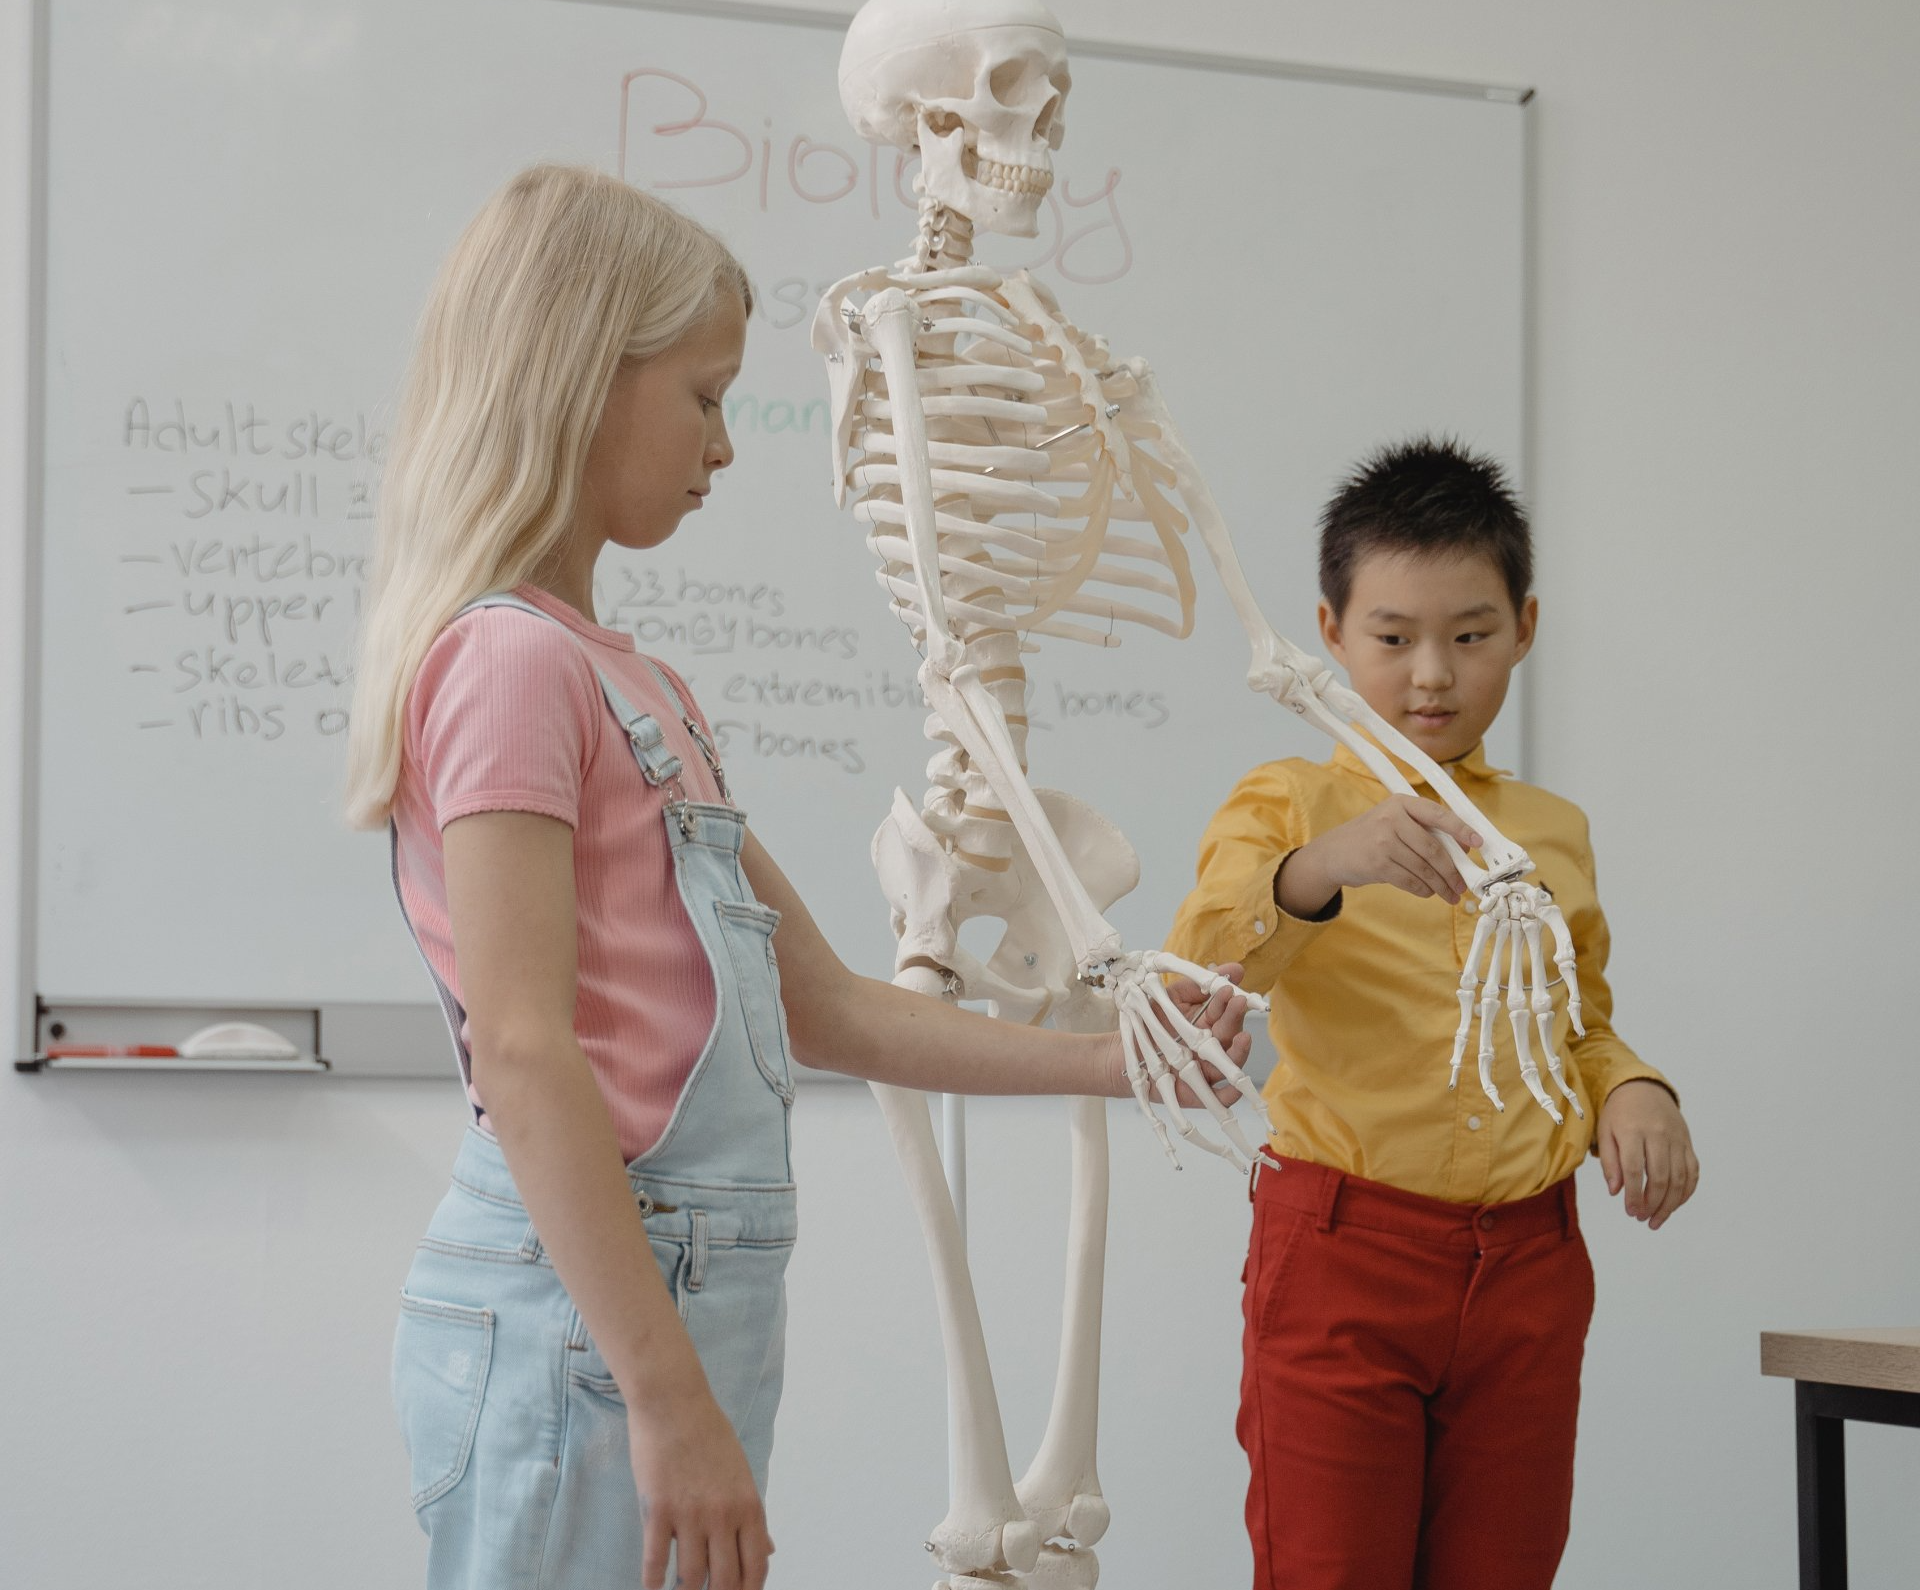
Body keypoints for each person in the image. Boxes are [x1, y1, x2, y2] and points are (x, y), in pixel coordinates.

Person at [342, 163, 1253, 1590]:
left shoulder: (641, 686)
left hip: (676, 1302)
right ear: (582, 373)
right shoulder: (513, 664)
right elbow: (526, 1051)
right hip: (592, 1318)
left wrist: (1124, 1064)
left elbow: (824, 1004)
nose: (725, 445)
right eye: (703, 397)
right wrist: (666, 1397)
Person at [1165, 437, 1700, 1590]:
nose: (1432, 679)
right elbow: (1193, 980)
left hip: (1530, 1265)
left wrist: (1636, 1085)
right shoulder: (1286, 803)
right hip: (1343, 1254)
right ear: (1330, 630)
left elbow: (1575, 1027)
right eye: (1393, 639)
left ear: (1526, 628)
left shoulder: (1552, 830)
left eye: (1470, 637)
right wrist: (1319, 869)